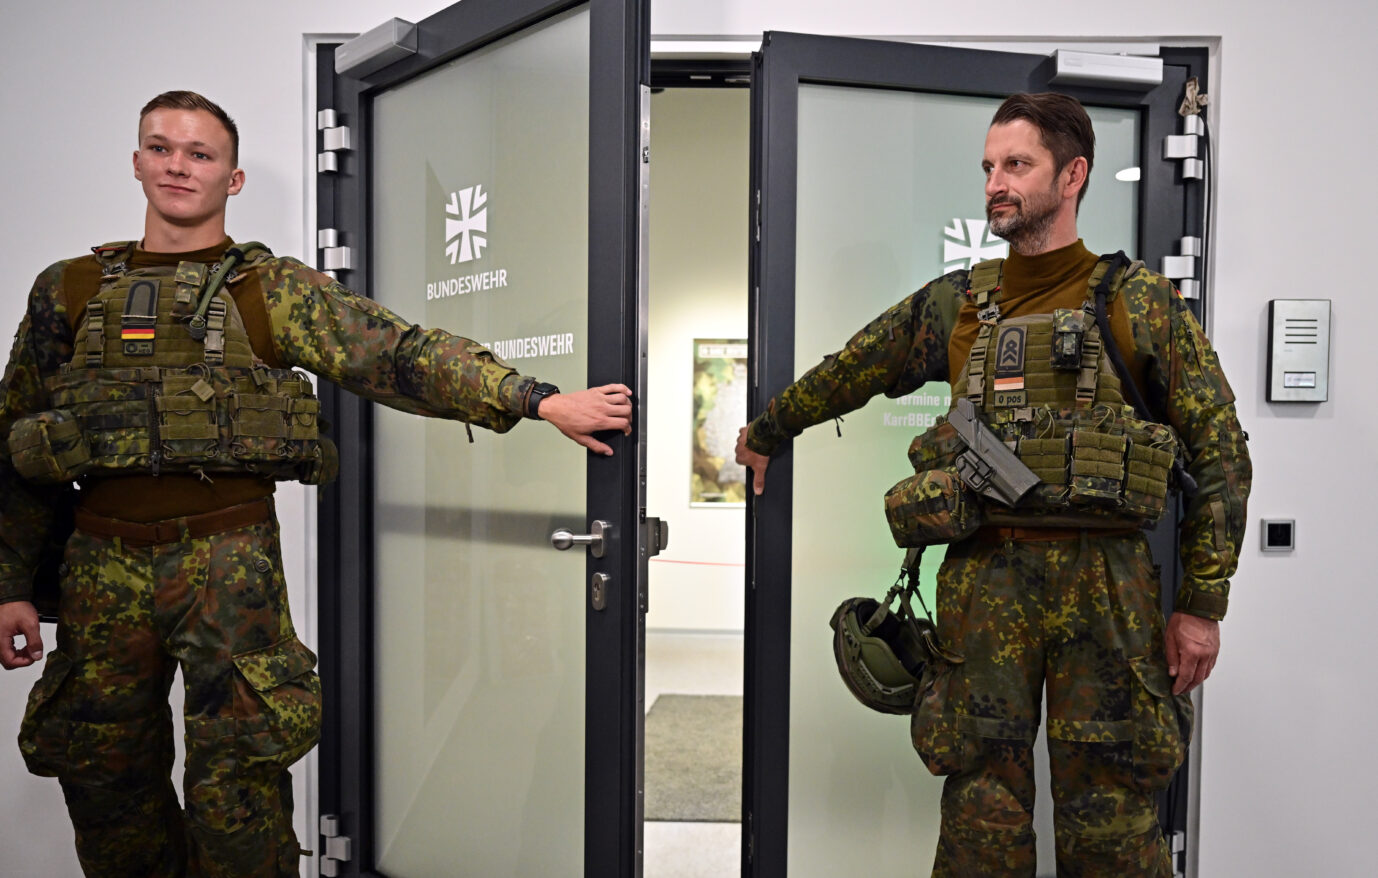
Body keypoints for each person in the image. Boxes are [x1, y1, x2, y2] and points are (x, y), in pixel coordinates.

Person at [0, 90, 632, 877]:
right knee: (104, 783)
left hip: (229, 565)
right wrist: (11, 584)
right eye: (161, 148)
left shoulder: (271, 288)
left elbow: (398, 354)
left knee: (240, 792)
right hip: (98, 564)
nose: (178, 166)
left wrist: (533, 399)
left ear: (231, 179)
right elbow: (18, 438)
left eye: (200, 154)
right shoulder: (68, 289)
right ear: (136, 162)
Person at [735, 93, 1250, 876]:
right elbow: (855, 368)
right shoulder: (959, 304)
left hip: (1108, 587)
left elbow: (1220, 455)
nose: (994, 184)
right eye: (987, 167)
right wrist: (769, 429)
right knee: (980, 812)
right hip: (987, 575)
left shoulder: (1137, 303)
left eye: (1017, 164)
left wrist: (1202, 606)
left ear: (1072, 175)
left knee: (1111, 814)